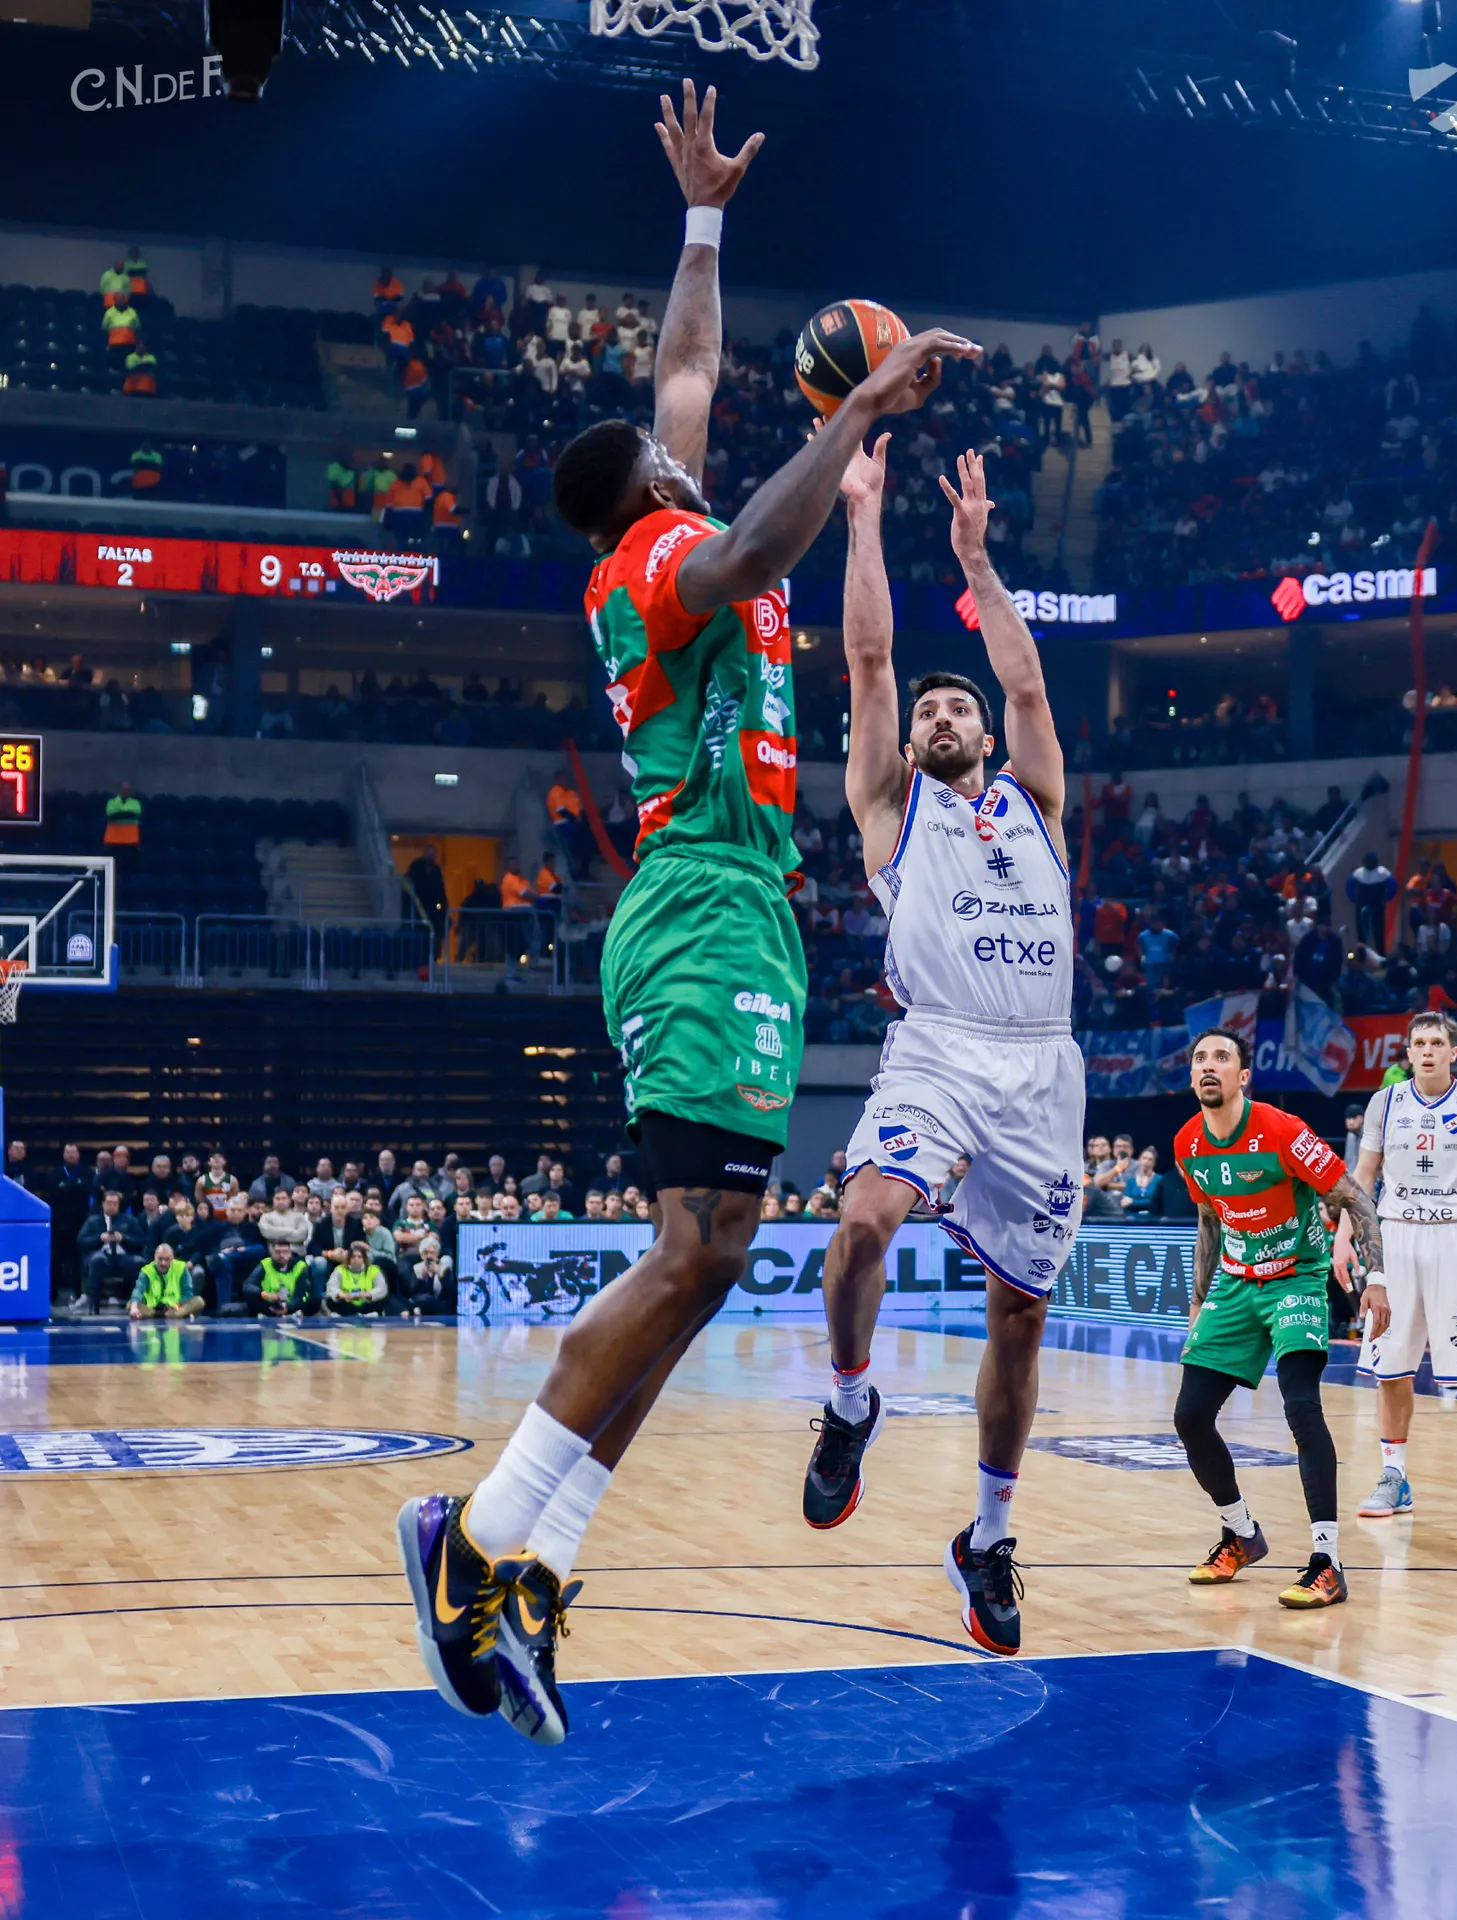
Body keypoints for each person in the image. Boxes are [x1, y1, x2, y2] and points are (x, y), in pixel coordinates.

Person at [397, 78, 981, 1749]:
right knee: (688, 1252)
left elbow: (687, 373)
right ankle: (474, 1533)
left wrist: (703, 221)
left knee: (717, 1260)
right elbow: (739, 549)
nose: (690, 439)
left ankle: (539, 1570)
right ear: (646, 489)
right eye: (675, 457)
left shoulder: (662, 508)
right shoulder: (656, 561)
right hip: (703, 902)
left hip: (743, 907)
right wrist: (858, 410)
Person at [801, 438, 1081, 1658]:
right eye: (930, 711)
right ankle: (851, 1401)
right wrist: (863, 517)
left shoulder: (1037, 802)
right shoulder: (891, 807)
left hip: (1045, 1068)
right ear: (910, 746)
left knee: (1019, 1317)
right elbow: (869, 658)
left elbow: (1029, 687)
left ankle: (989, 1539)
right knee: (863, 1223)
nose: (945, 713)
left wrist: (976, 561)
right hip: (939, 1053)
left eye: (959, 705)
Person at [1173, 1028, 1385, 1610]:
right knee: (1190, 1416)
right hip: (1235, 1282)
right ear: (1191, 1076)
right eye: (1200, 1058)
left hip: (1296, 1276)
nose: (1209, 1066)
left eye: (1222, 1057)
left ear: (1243, 1076)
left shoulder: (1282, 1131)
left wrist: (1377, 1276)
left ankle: (1327, 1561)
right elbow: (1210, 1221)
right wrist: (1198, 1301)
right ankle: (1241, 1532)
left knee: (1301, 1407)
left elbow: (1355, 1198)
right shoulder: (1188, 1143)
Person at [1340, 1011, 1457, 1522]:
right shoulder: (1385, 1103)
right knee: (1390, 1364)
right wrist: (1343, 1237)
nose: (1426, 1051)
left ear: (1452, 1052)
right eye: (1418, 1043)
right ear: (1408, 1052)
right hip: (1396, 1238)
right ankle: (1393, 1477)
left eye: (1436, 1043)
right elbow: (1362, 1176)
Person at [72, 1190, 145, 1314]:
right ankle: (94, 1306)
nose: (112, 1206)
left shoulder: (129, 1220)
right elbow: (81, 1241)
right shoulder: (92, 1221)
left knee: (138, 1262)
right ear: (103, 1204)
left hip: (123, 1255)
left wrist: (123, 1238)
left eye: (115, 1204)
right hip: (101, 1255)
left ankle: (137, 1304)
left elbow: (141, 1240)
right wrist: (99, 1238)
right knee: (97, 1261)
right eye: (109, 1203)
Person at [128, 1242, 205, 1320]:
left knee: (199, 1301)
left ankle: (175, 1314)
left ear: (172, 1258)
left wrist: (176, 1306)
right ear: (155, 1257)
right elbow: (138, 1290)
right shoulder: (147, 1271)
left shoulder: (181, 1268)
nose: (163, 1263)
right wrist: (134, 1307)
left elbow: (187, 1293)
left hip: (175, 1308)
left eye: (166, 1259)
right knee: (131, 1304)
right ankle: (160, 1314)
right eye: (160, 1259)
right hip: (152, 1308)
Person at [247, 1240, 317, 1318]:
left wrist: (288, 1308)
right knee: (250, 1297)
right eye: (278, 1252)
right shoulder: (265, 1264)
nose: (281, 1255)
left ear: (290, 1253)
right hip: (268, 1305)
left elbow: (300, 1294)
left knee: (314, 1299)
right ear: (272, 1253)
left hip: (292, 1307)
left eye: (285, 1252)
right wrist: (266, 1295)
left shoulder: (300, 1266)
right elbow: (248, 1285)